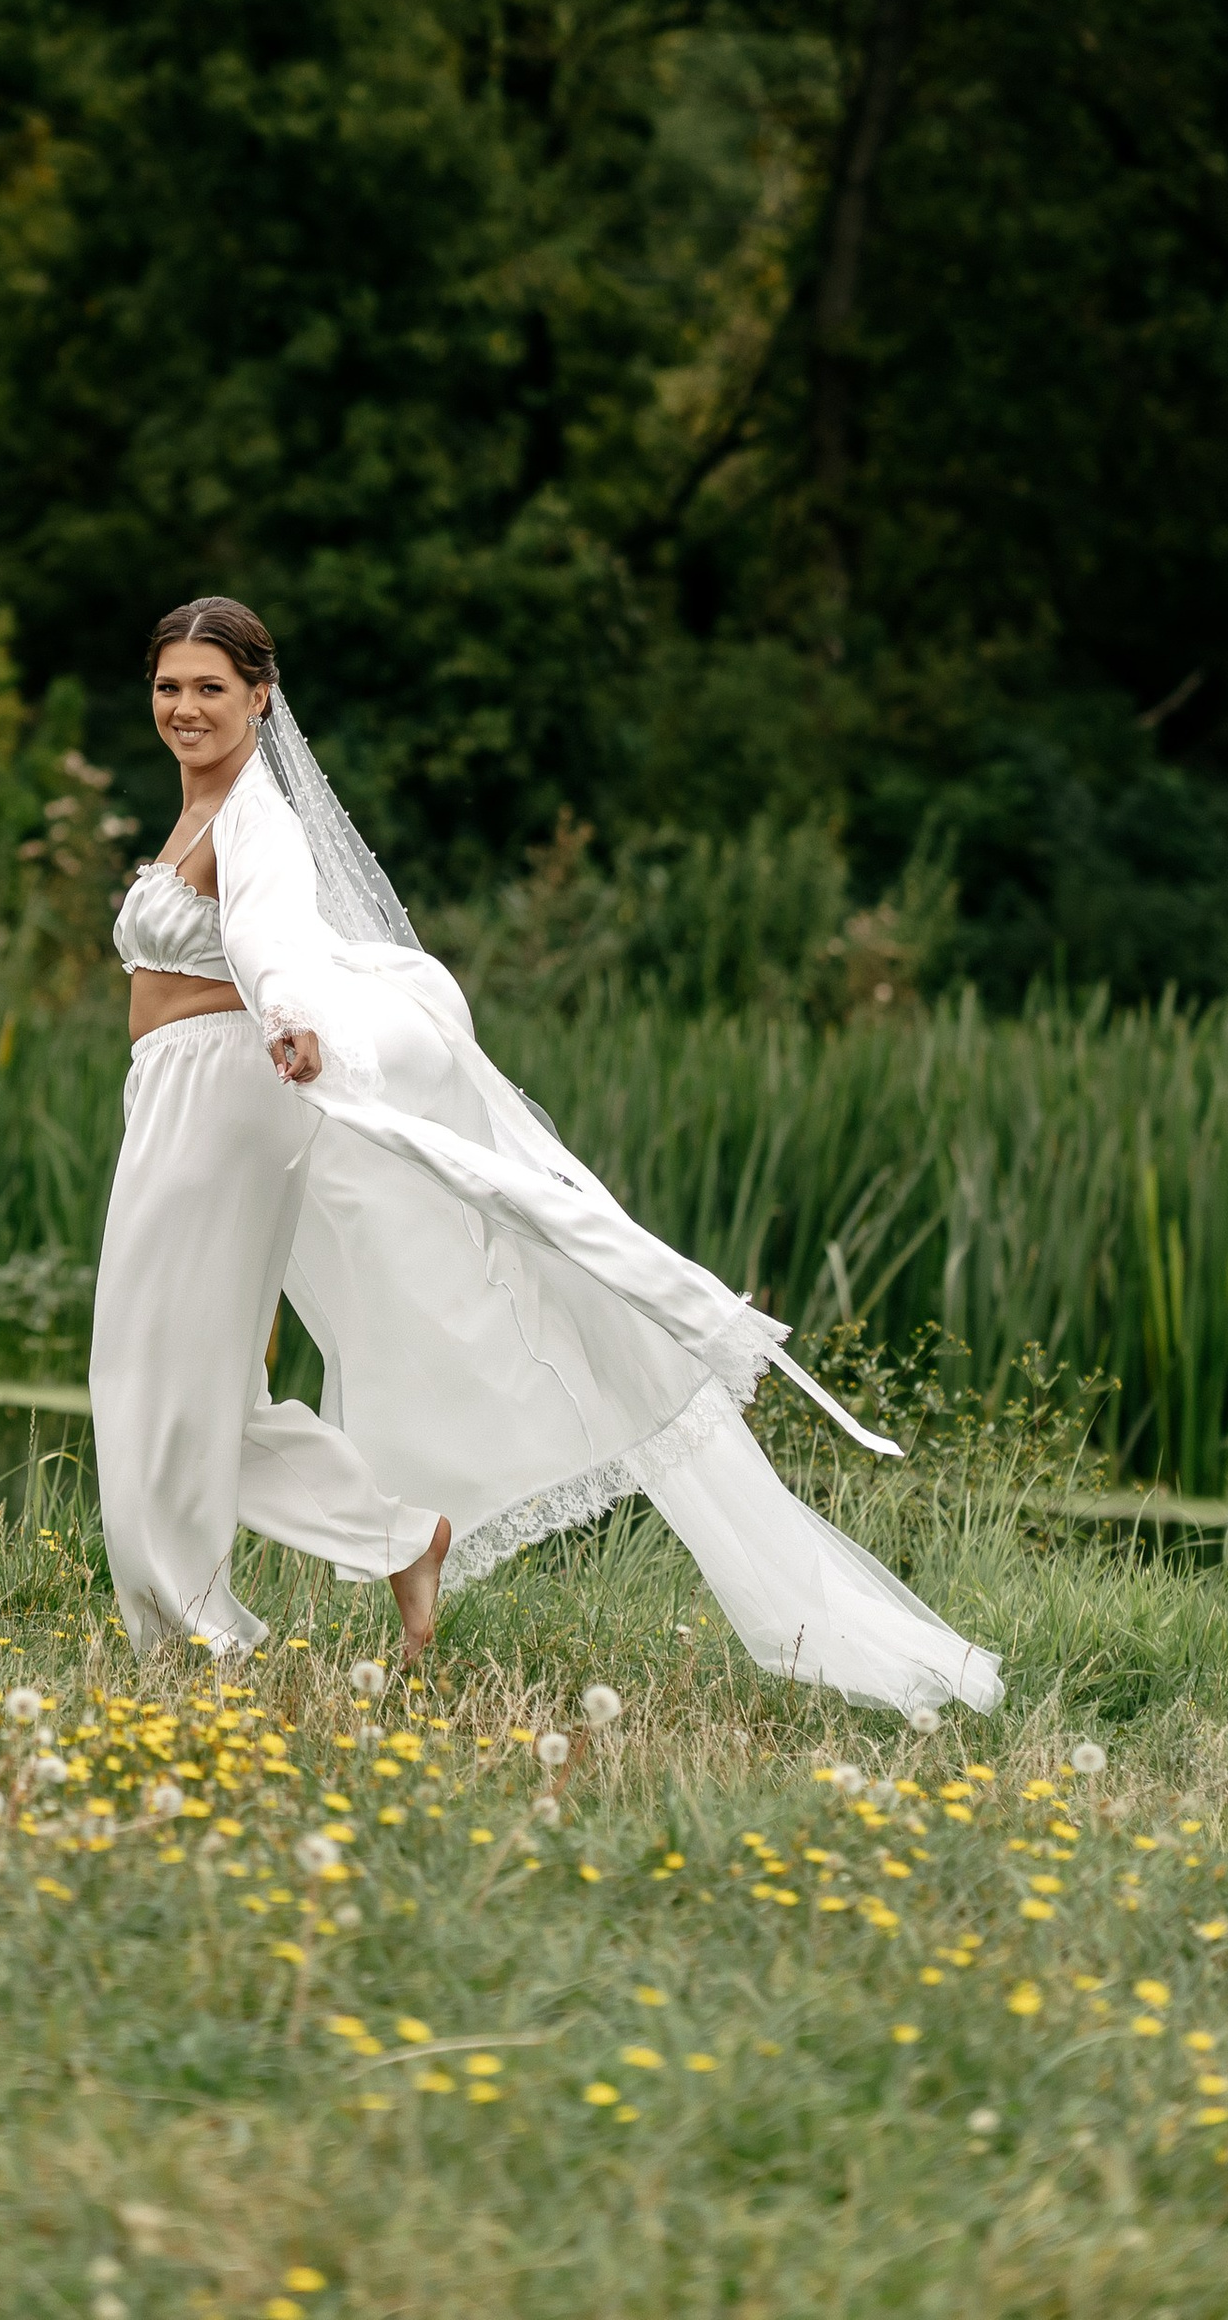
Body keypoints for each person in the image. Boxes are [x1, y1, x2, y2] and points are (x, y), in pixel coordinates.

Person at [88, 592, 1003, 1716]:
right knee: (190, 1378)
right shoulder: (192, 811)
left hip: (228, 1099)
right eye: (169, 686)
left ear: (260, 698)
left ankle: (192, 1641)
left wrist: (285, 1014)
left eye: (210, 689)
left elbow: (271, 935)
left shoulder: (255, 821)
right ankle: (388, 1540)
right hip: (176, 1100)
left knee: (143, 1369)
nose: (185, 707)